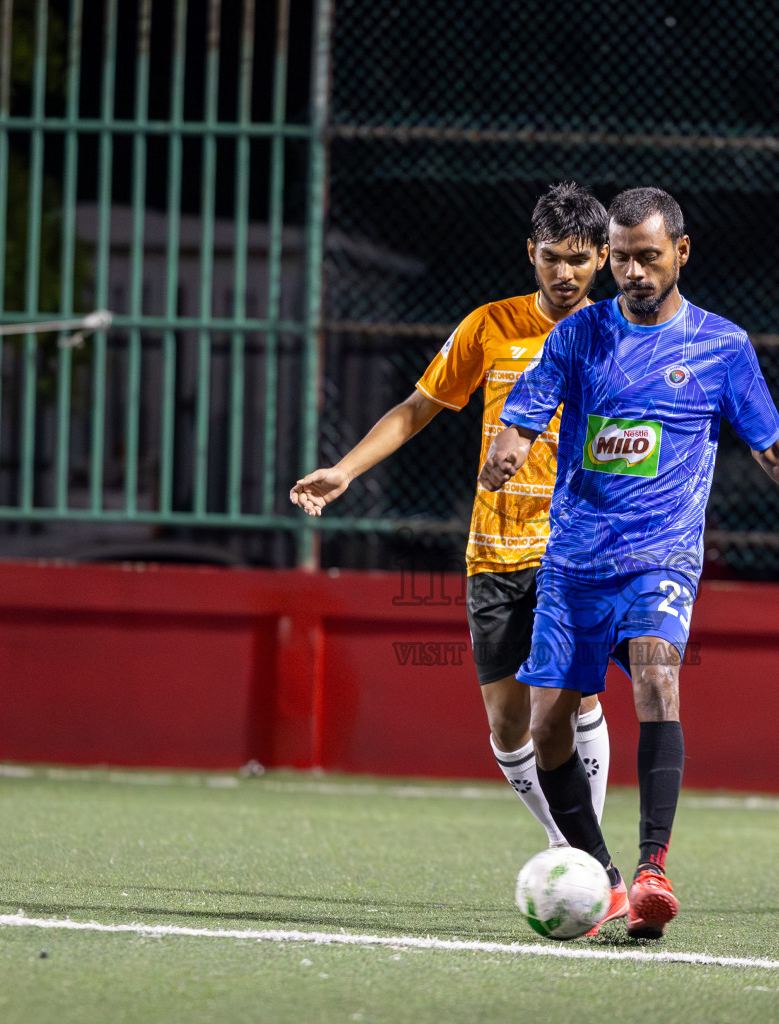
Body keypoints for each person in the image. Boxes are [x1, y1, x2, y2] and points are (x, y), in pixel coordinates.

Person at [479, 187, 779, 939]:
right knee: (546, 723)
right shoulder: (578, 336)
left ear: (680, 254)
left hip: (662, 556)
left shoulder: (723, 347)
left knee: (659, 672)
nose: (632, 271)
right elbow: (523, 417)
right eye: (621, 258)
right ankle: (604, 877)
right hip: (575, 560)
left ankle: (655, 867)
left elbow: (769, 447)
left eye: (647, 257)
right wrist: (507, 450)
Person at [290, 183, 617, 863]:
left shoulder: (617, 336)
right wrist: (345, 471)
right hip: (493, 550)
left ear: (604, 259)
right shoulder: (489, 326)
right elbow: (416, 408)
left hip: (574, 551)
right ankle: (565, 837)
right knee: (506, 724)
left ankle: (581, 853)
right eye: (553, 257)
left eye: (579, 260)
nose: (565, 274)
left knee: (572, 703)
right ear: (531, 252)